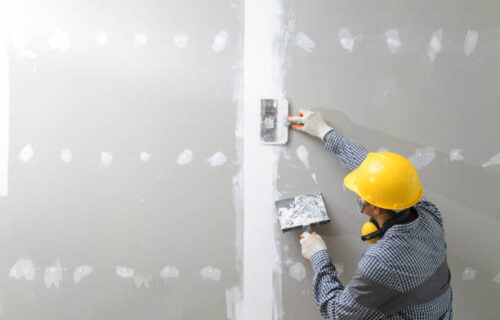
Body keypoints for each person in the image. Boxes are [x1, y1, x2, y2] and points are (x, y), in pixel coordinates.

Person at [288, 110, 453, 319]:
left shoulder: (382, 262)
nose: (356, 194)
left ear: (375, 207)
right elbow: (374, 170)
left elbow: (338, 314)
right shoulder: (427, 213)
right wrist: (324, 131)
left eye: (360, 193)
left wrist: (319, 256)